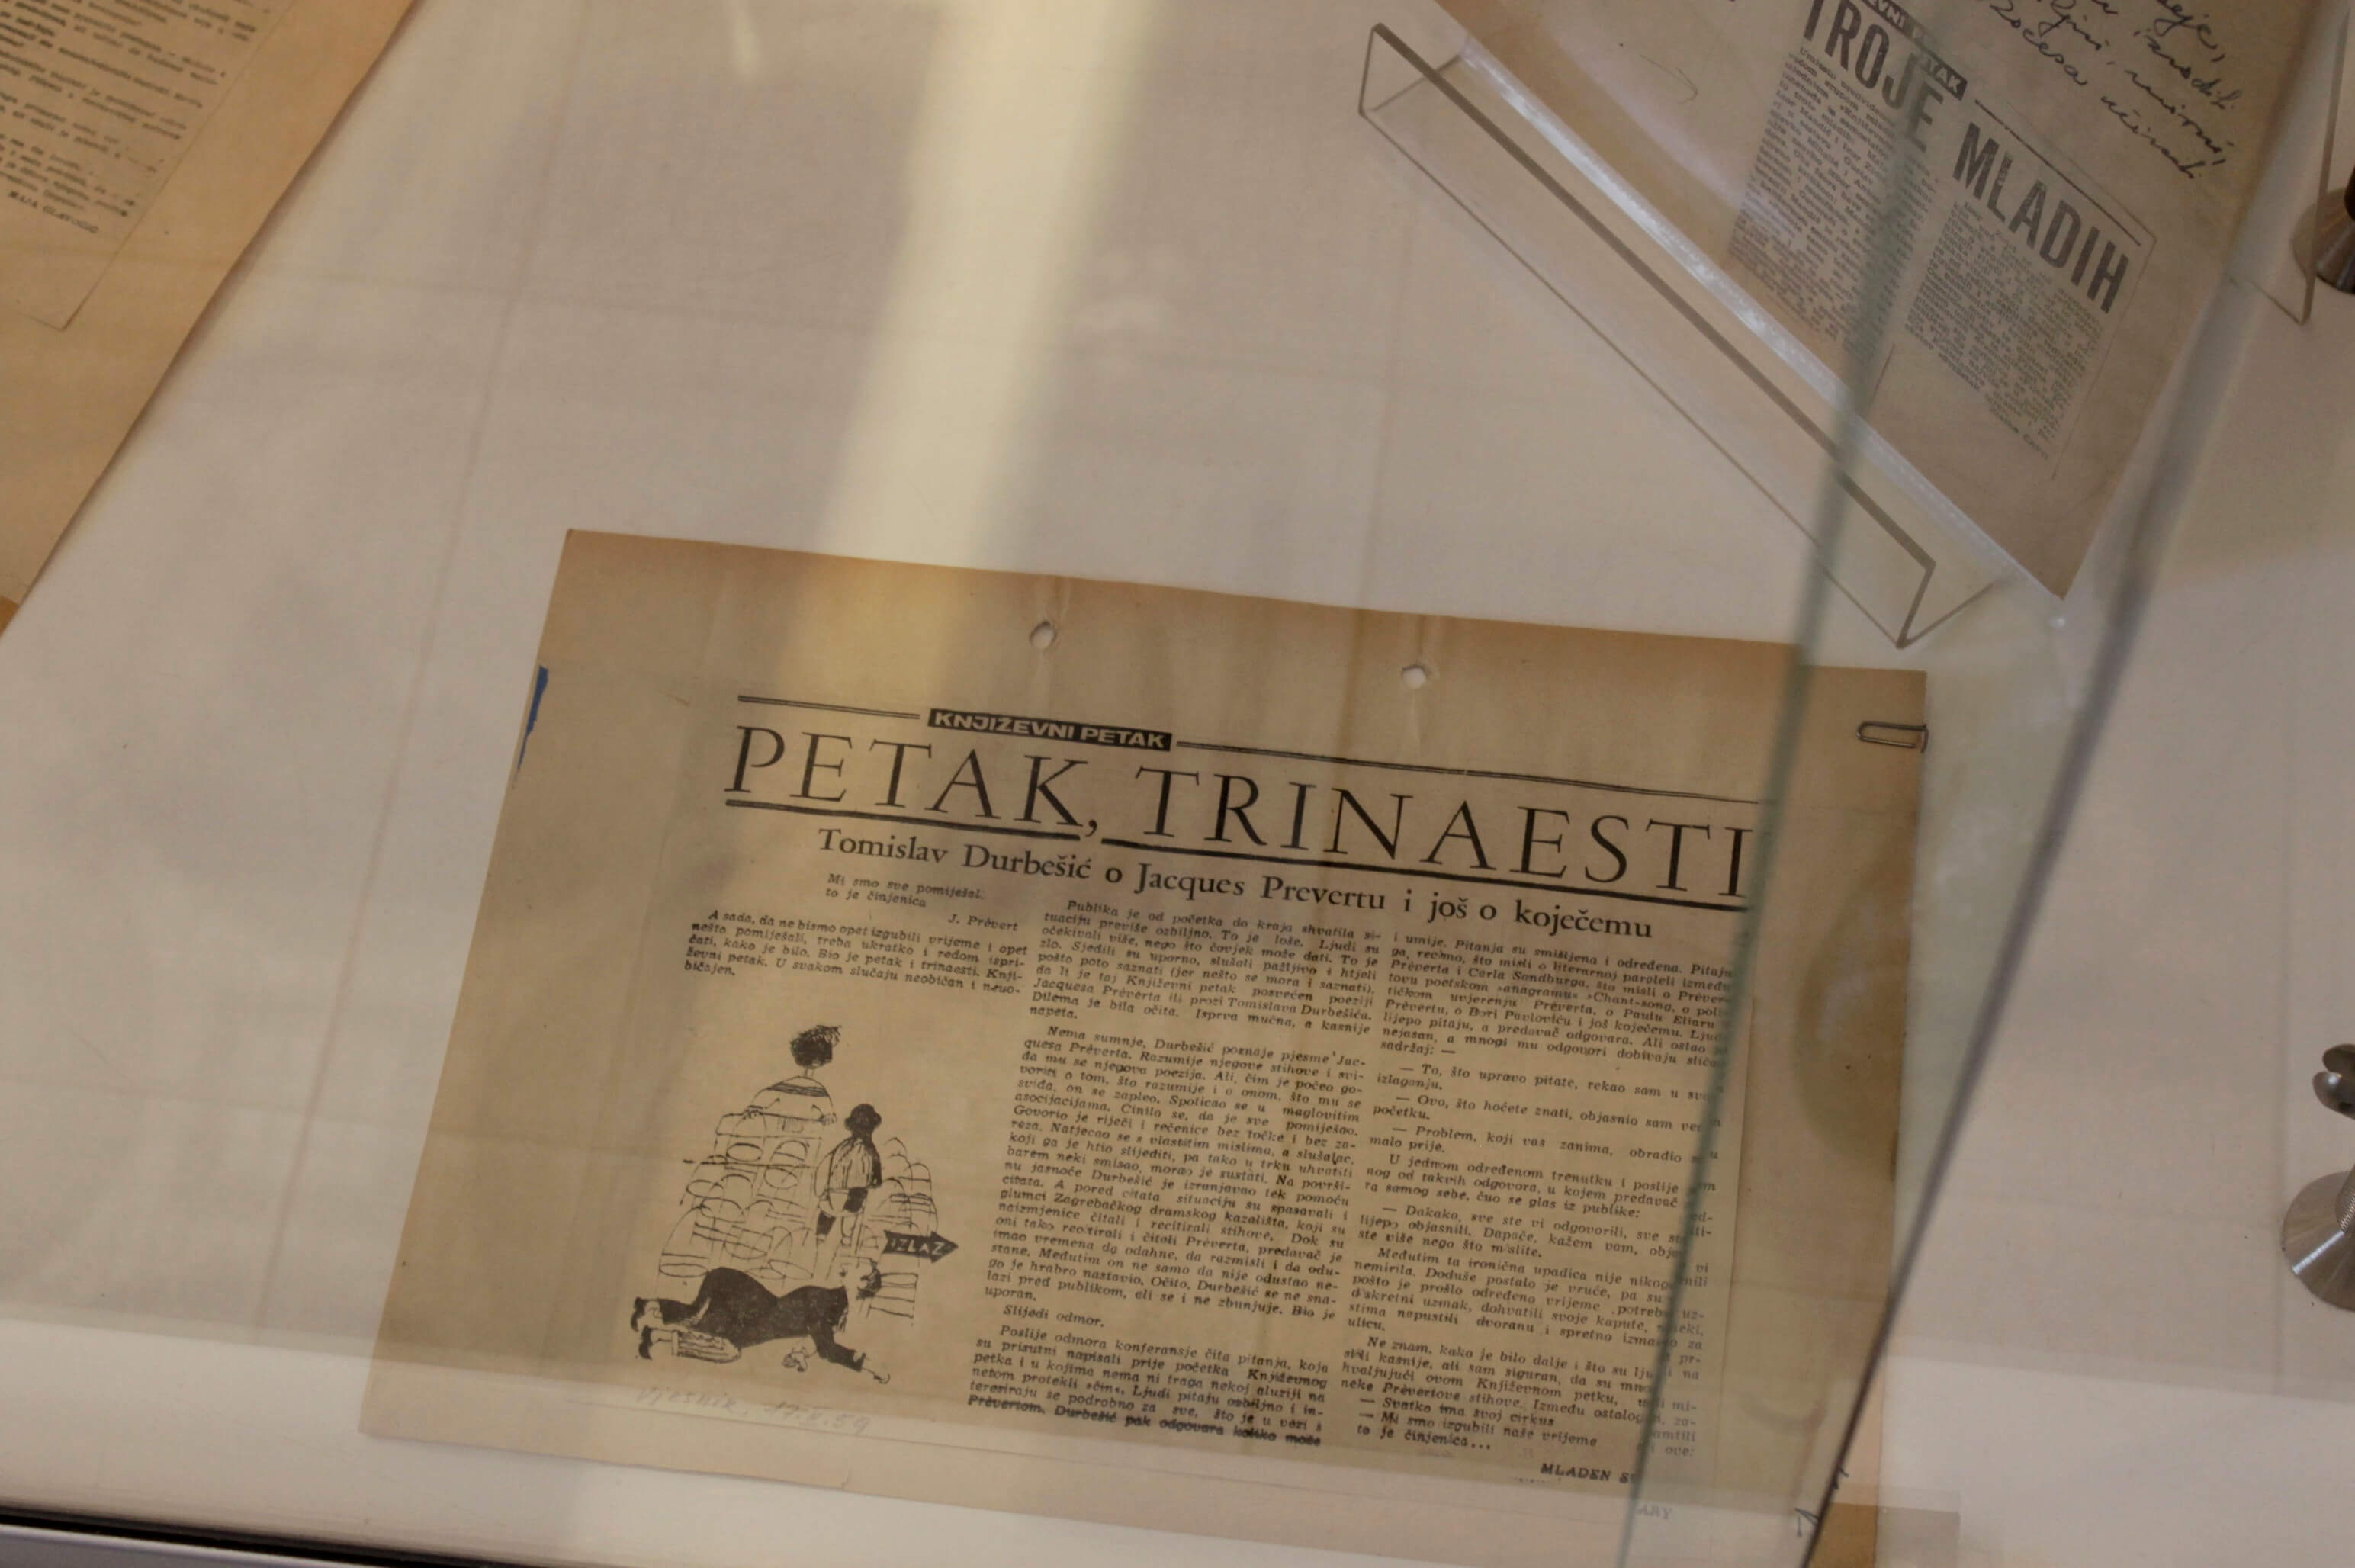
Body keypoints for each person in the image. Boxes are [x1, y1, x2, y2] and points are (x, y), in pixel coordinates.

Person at [633, 1261, 887, 1381]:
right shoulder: (828, 1302)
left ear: (861, 1283)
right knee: (701, 1323)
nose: (851, 1262)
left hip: (746, 1319)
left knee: (720, 1343)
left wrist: (800, 1353)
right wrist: (867, 1364)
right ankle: (647, 1313)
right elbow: (827, 1348)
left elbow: (817, 1339)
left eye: (858, 1266)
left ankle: (653, 1331)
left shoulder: (833, 1306)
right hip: (740, 1296)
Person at [814, 1104, 884, 1280]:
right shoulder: (866, 1149)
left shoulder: (848, 1147)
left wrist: (822, 1191)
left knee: (836, 1227)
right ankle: (833, 1262)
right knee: (845, 1231)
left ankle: (830, 1262)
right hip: (848, 1196)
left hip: (841, 1196)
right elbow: (876, 1180)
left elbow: (825, 1167)